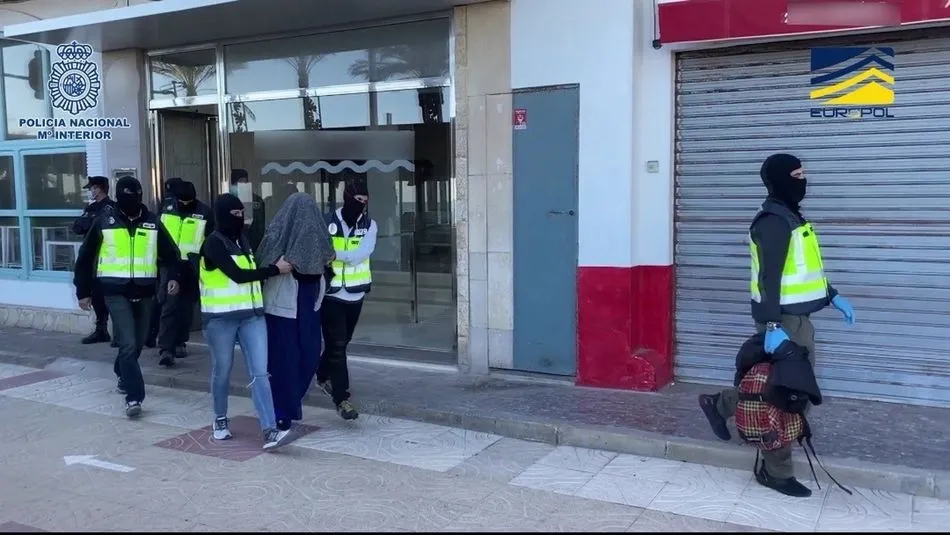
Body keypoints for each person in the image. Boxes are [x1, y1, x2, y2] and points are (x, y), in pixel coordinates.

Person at [698, 153, 856, 498]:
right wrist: (771, 324)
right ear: (780, 179)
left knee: (786, 391)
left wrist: (832, 295)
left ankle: (722, 404)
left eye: (804, 173)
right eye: (797, 174)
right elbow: (769, 278)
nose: (803, 180)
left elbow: (800, 272)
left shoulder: (791, 217)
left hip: (797, 319)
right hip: (782, 321)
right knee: (785, 396)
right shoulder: (772, 221)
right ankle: (776, 472)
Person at [74, 176, 181, 417]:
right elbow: (85, 257)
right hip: (114, 291)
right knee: (128, 343)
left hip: (144, 291)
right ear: (119, 198)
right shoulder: (105, 221)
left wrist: (173, 277)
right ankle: (134, 398)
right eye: (126, 197)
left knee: (138, 342)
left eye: (134, 196)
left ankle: (122, 369)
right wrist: (83, 292)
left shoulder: (152, 223)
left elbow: (171, 254)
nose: (130, 201)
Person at [199, 193, 294, 449]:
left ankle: (270, 429)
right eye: (235, 214)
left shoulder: (244, 241)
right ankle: (220, 419)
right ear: (222, 216)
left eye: (243, 213)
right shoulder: (212, 244)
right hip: (221, 320)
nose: (240, 218)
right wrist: (275, 270)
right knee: (222, 371)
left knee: (261, 373)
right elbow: (238, 275)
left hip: (252, 316)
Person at [257, 193, 335, 432]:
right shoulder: (275, 236)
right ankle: (282, 412)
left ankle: (290, 404)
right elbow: (261, 263)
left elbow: (328, 256)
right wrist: (277, 266)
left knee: (310, 355)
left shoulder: (318, 236)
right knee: (284, 362)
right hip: (281, 309)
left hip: (309, 306)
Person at [317, 179, 376, 420]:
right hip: (331, 295)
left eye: (364, 201)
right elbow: (320, 250)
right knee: (338, 345)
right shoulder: (326, 221)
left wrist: (337, 255)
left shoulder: (370, 225)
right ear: (347, 197)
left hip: (356, 294)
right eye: (357, 200)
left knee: (341, 342)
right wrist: (337, 256)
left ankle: (321, 374)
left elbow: (362, 253)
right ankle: (342, 399)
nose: (360, 205)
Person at [157, 180, 214, 367]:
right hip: (169, 264)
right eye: (181, 200)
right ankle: (166, 348)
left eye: (188, 201)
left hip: (192, 265)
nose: (185, 204)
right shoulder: (166, 208)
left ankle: (181, 340)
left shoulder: (205, 212)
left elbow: (210, 240)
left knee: (187, 307)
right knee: (169, 304)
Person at [72, 175, 116, 345]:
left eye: (92, 188)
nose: (91, 191)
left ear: (99, 189)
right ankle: (101, 329)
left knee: (109, 294)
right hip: (92, 257)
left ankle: (117, 331)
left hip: (106, 257)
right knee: (96, 293)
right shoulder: (91, 207)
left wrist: (88, 223)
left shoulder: (111, 208)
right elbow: (78, 227)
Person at [145, 177, 184, 349]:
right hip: (172, 262)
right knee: (168, 302)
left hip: (163, 261)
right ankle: (164, 340)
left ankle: (151, 335)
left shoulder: (161, 207)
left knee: (160, 300)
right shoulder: (174, 207)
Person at [229, 169, 266, 251]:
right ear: (233, 184)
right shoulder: (227, 201)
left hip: (253, 244)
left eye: (245, 182)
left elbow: (260, 227)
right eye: (240, 182)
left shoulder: (256, 200)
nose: (243, 185)